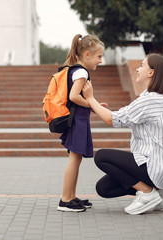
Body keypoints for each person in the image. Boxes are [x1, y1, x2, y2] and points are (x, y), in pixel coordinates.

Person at [82, 53, 163, 215]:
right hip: (158, 166)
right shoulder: (153, 98)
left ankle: (147, 193)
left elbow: (112, 119)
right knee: (104, 189)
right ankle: (160, 189)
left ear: (151, 73)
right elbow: (116, 116)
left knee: (102, 157)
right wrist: (97, 107)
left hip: (155, 166)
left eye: (142, 65)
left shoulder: (150, 101)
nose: (137, 69)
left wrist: (90, 98)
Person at [57, 34, 105, 212]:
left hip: (78, 120)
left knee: (76, 160)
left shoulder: (76, 69)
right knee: (74, 159)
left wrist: (92, 105)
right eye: (99, 56)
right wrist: (92, 104)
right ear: (87, 55)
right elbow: (74, 96)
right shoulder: (81, 72)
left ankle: (71, 196)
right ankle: (65, 200)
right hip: (77, 121)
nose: (100, 60)